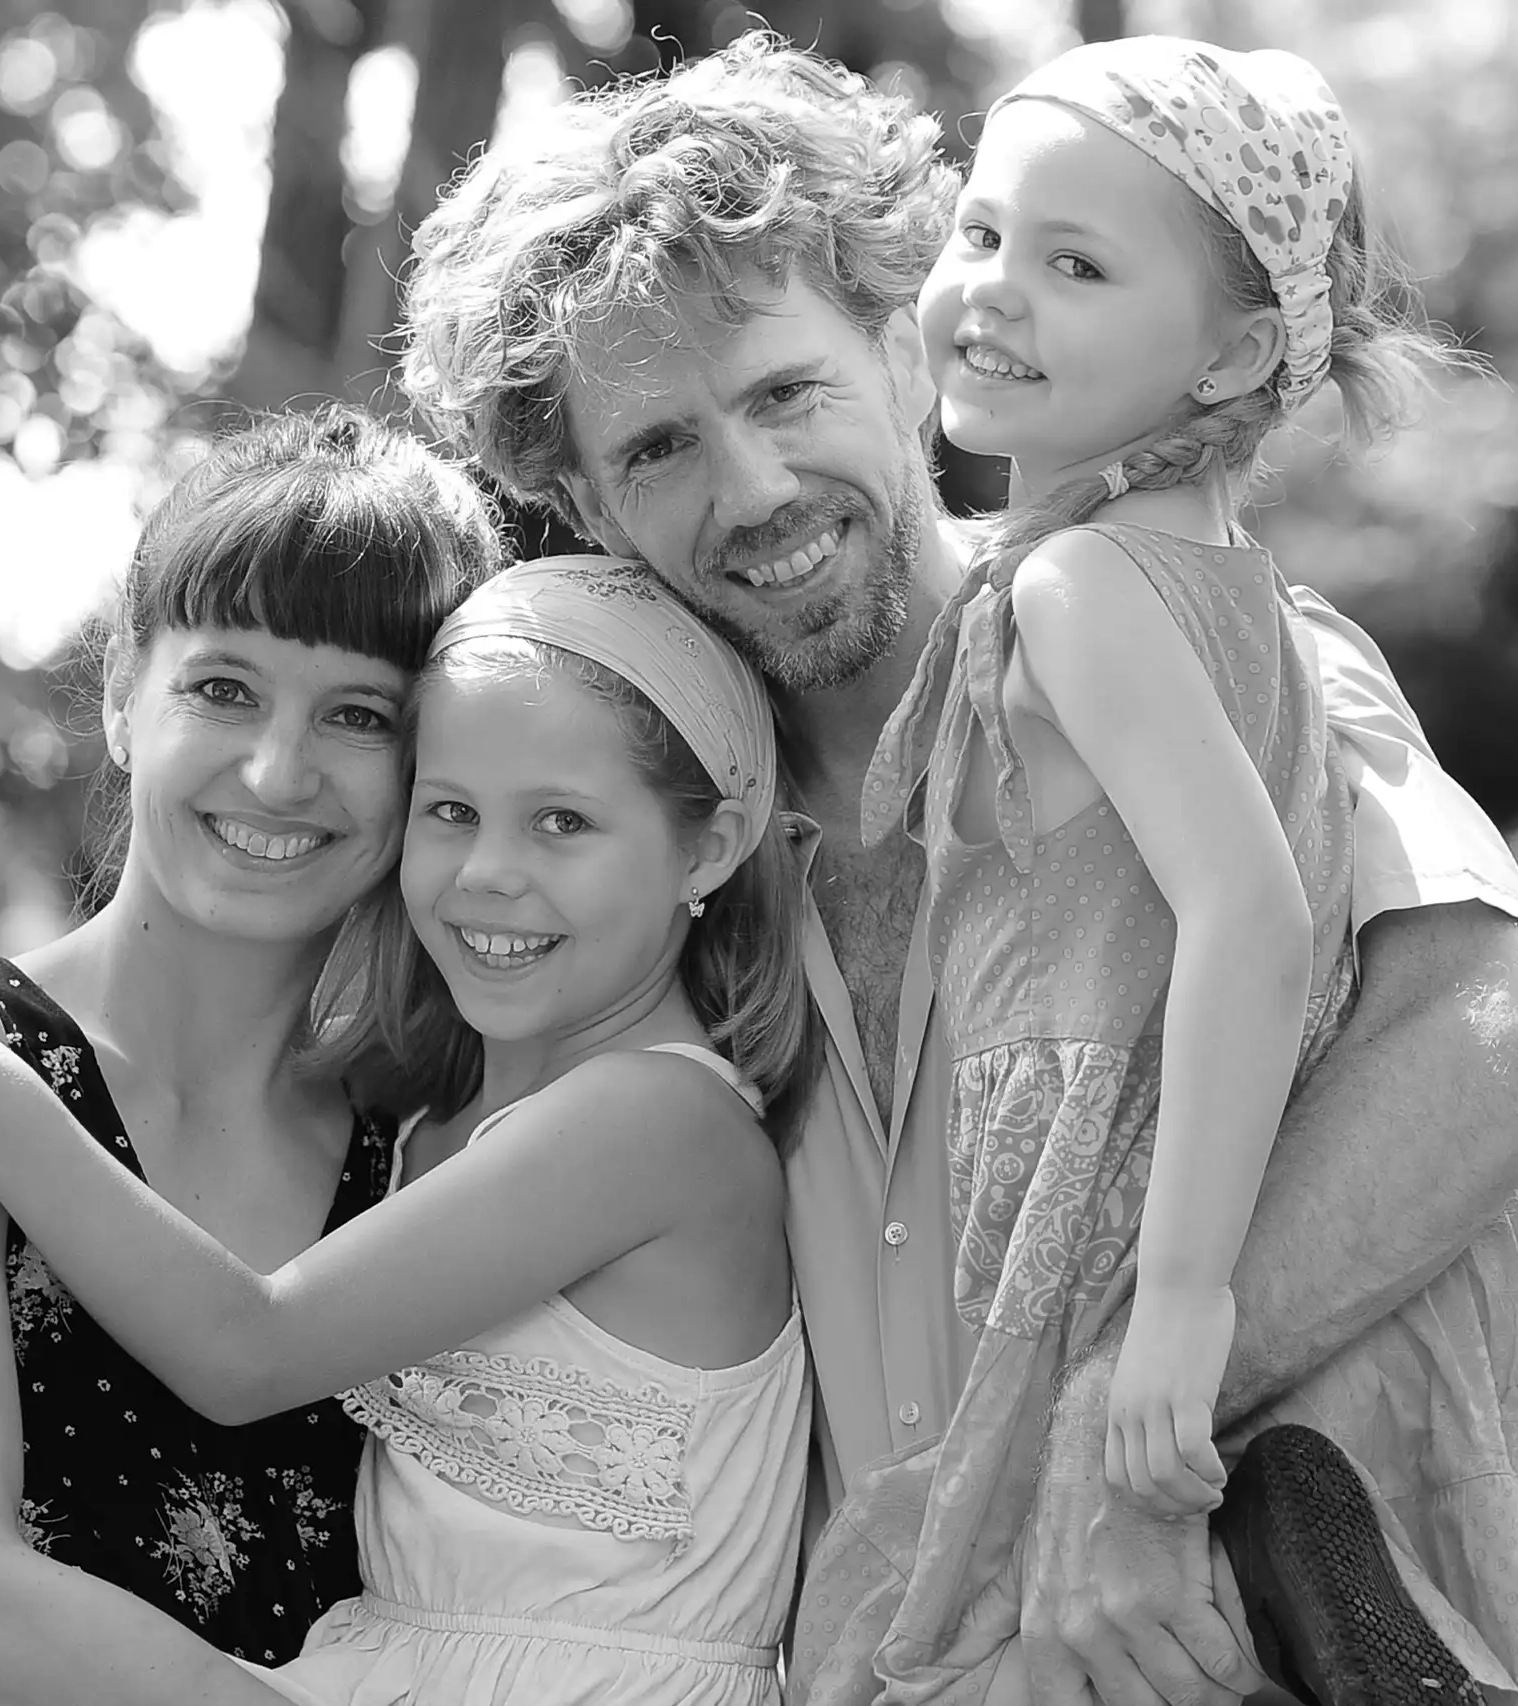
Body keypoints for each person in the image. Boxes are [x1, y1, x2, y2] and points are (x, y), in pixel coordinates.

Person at [394, 28, 1518, 1706]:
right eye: (659, 449)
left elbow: (1485, 1039)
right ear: (580, 498)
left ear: (902, 342)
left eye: (784, 392)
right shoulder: (633, 856)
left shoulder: (1197, 637)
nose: (755, 489)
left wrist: (1117, 1448)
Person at [0, 556, 819, 1705]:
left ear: (706, 844)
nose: (490, 872)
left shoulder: (654, 1120)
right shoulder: (425, 1112)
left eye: (562, 822)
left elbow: (249, 1349)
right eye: (450, 811)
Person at [837, 33, 1495, 1705]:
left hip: (1092, 1158)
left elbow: (1250, 920)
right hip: (1181, 1134)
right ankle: (1313, 1619)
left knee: (944, 1633)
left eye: (1073, 264)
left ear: (1234, 357)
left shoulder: (1077, 589)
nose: (991, 291)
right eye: (982, 234)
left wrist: (1190, 1302)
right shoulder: (1233, 581)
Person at [0, 404, 500, 1703]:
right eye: (223, 688)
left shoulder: (421, 1138)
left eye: (359, 714)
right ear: (128, 689)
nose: (278, 769)